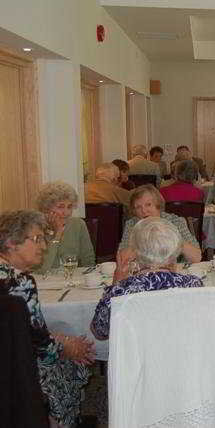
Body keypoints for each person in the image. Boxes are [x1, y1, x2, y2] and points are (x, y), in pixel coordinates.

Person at [0, 210, 94, 427]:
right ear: (12, 243)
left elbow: (28, 333)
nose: (44, 246)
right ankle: (59, 420)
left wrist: (59, 339)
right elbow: (44, 349)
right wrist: (70, 347)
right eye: (37, 239)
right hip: (18, 374)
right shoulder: (20, 282)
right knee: (71, 364)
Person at [91, 217, 204, 340]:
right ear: (174, 249)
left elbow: (99, 332)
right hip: (183, 356)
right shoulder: (193, 285)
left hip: (137, 358)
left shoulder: (122, 290)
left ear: (136, 251)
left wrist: (115, 284)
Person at [118, 185, 202, 263]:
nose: (143, 211)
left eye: (148, 205)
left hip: (172, 272)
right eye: (138, 207)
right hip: (142, 273)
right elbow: (122, 259)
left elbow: (197, 257)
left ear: (158, 205)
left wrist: (174, 239)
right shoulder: (132, 224)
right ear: (134, 211)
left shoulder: (175, 221)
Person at [35, 182, 95, 272]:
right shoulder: (36, 228)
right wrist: (57, 233)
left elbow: (89, 261)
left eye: (69, 207)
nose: (66, 212)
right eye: (60, 207)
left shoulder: (78, 224)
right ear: (46, 208)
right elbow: (42, 269)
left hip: (73, 279)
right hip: (46, 281)